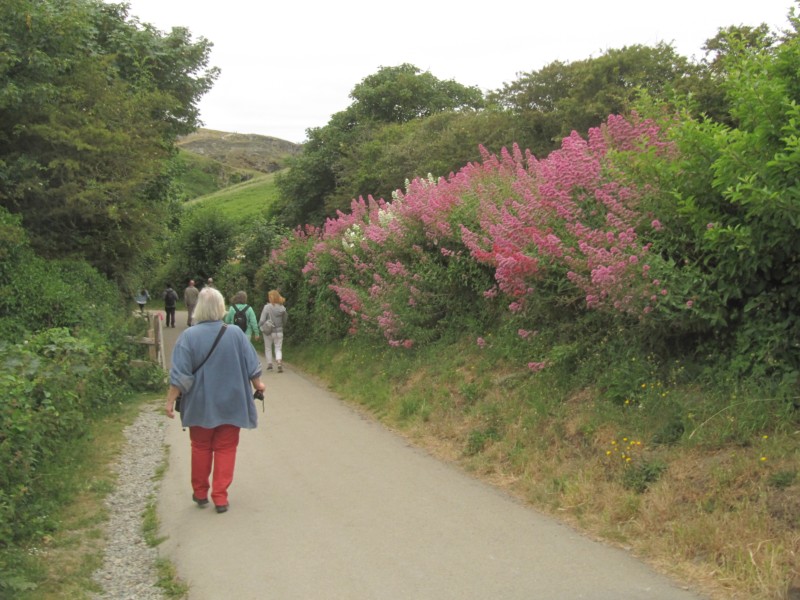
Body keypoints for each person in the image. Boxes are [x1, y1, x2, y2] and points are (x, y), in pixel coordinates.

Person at [165, 287, 265, 513]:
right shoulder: (235, 334)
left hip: (201, 404)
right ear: (221, 308)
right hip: (232, 402)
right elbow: (252, 366)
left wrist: (170, 401)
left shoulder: (188, 337)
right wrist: (259, 385)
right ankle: (220, 497)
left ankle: (200, 493)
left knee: (200, 447)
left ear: (199, 308)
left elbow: (180, 375)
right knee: (226, 447)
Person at [259, 289, 288, 373]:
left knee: (268, 348)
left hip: (268, 331)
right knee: (278, 348)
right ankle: (279, 362)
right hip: (279, 331)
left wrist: (260, 326)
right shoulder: (282, 308)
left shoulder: (267, 307)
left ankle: (270, 365)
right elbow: (285, 320)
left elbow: (262, 319)